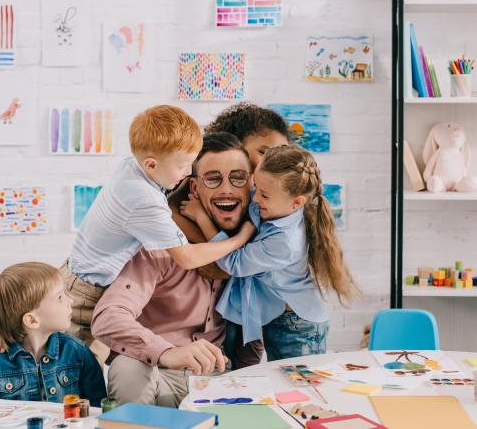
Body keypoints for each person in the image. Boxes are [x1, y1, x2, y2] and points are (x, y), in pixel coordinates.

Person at [63, 105, 254, 363]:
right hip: (86, 292)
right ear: (151, 164)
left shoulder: (132, 166)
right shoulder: (144, 200)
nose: (187, 174)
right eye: (184, 166)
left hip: (79, 273)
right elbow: (187, 257)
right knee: (79, 370)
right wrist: (238, 240)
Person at [91, 133, 253, 407]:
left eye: (237, 178)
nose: (227, 189)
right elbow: (108, 317)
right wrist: (167, 351)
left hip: (221, 380)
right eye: (213, 179)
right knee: (127, 367)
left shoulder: (256, 250)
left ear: (251, 185)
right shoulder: (160, 247)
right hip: (161, 374)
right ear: (194, 188)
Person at [181, 144, 359, 360]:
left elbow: (234, 263)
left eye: (263, 195)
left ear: (297, 202)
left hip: (298, 326)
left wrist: (201, 217)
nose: (255, 199)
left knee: (297, 386)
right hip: (277, 316)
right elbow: (253, 205)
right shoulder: (278, 205)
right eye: (256, 186)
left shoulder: (285, 242)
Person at [169, 102, 291, 368]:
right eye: (264, 152)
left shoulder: (265, 197)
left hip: (250, 307)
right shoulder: (187, 187)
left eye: (281, 152)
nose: (274, 160)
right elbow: (213, 266)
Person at [0, 262, 106, 406]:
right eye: (60, 297)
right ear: (32, 320)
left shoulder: (79, 353)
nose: (70, 301)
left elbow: (97, 408)